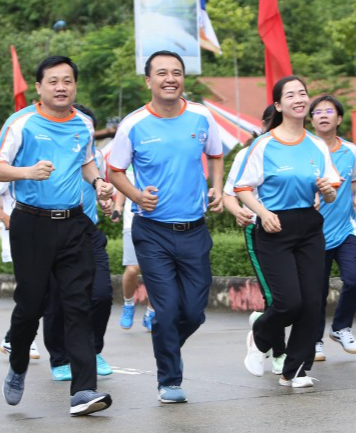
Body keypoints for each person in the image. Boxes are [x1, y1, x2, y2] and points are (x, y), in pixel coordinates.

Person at [0, 55, 114, 416]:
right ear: (39, 87)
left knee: (79, 304)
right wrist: (27, 172)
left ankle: (84, 390)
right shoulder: (21, 122)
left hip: (74, 224)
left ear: (75, 85)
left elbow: (86, 161)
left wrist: (99, 182)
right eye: (54, 81)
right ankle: (18, 364)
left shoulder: (84, 124)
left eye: (68, 81)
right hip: (31, 224)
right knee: (31, 305)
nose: (62, 87)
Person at [109, 50, 224, 404]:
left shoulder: (202, 117)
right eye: (162, 72)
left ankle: (163, 333)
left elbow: (216, 155)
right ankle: (169, 380)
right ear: (149, 81)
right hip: (153, 230)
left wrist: (217, 187)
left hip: (194, 229)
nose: (170, 78)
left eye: (176, 72)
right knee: (170, 306)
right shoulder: (133, 124)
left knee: (193, 312)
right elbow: (114, 170)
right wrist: (136, 196)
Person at [234, 77, 338, 388]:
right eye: (290, 95)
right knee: (288, 302)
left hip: (308, 225)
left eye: (302, 93)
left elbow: (331, 193)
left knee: (312, 302)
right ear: (279, 105)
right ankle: (260, 335)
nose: (299, 99)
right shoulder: (264, 144)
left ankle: (294, 370)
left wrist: (326, 191)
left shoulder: (317, 145)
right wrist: (263, 213)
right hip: (274, 225)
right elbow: (242, 188)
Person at [42, 103, 115, 380]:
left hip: (88, 231)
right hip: (52, 232)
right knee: (56, 300)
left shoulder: (96, 157)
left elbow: (101, 190)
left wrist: (106, 202)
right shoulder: (45, 154)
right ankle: (60, 357)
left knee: (101, 295)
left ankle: (92, 350)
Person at [223, 105, 285, 376]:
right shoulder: (248, 153)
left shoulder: (302, 148)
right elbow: (229, 195)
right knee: (275, 296)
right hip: (259, 230)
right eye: (274, 122)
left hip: (295, 231)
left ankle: (261, 324)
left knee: (297, 296)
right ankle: (280, 354)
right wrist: (241, 212)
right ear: (263, 123)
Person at [308, 95, 356, 361]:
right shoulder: (305, 149)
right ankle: (314, 339)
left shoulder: (351, 150)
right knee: (316, 291)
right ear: (311, 120)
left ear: (339, 119)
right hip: (314, 233)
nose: (323, 115)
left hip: (345, 229)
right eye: (317, 112)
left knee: (355, 278)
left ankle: (341, 327)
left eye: (328, 111)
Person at [0, 180, 42, 362]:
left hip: (47, 238)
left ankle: (14, 338)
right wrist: (9, 220)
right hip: (21, 241)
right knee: (34, 292)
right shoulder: (12, 168)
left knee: (44, 292)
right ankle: (15, 339)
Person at [113, 167, 155, 331]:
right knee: (132, 269)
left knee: (155, 271)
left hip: (159, 221)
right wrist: (118, 206)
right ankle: (128, 304)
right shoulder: (131, 159)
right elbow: (123, 184)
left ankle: (151, 313)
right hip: (133, 221)